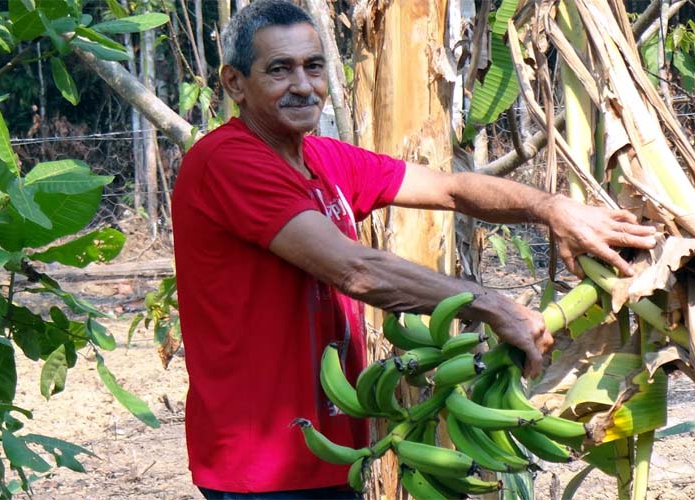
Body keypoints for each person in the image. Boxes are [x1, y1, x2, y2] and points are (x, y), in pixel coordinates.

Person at [170, 1, 656, 498]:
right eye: (279, 70)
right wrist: (487, 303)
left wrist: (552, 209)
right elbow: (354, 269)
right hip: (262, 461)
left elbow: (451, 188)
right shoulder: (226, 161)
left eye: (313, 66)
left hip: (331, 449)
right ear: (234, 83)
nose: (303, 85)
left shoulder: (321, 157)